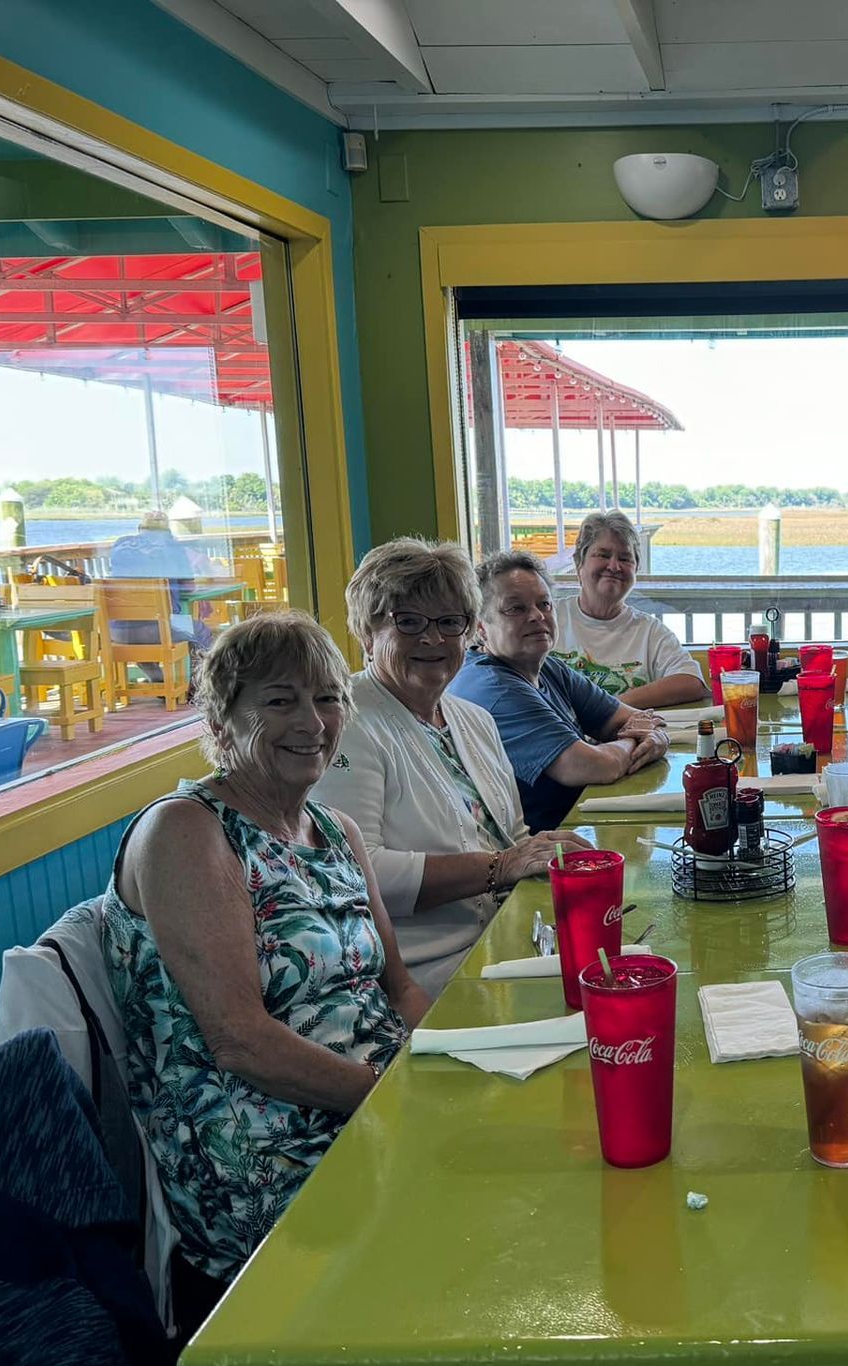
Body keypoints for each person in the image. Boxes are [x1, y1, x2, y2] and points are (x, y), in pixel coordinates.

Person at [103, 611, 430, 1315]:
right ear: (222, 723)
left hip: (376, 1103)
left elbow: (397, 986)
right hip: (266, 1156)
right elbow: (239, 1040)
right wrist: (399, 1101)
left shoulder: (336, 830)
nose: (311, 721)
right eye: (280, 701)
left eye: (327, 698)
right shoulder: (186, 831)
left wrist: (450, 1068)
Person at [311, 538, 589, 999]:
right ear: (366, 631)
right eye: (409, 622)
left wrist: (541, 861)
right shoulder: (344, 723)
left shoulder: (473, 719)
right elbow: (360, 873)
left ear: (470, 631)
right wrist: (499, 867)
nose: (433, 638)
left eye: (449, 622)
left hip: (510, 943)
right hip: (425, 975)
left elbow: (514, 837)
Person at [449, 551, 670, 831]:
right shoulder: (495, 688)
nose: (537, 616)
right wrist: (635, 741)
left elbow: (636, 719)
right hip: (540, 849)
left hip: (579, 824)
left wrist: (654, 733)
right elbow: (593, 766)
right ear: (480, 627)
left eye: (545, 604)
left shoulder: (548, 667)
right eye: (516, 609)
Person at [551, 511, 709, 707]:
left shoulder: (649, 631)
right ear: (579, 564)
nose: (614, 566)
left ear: (635, 570)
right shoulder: (548, 619)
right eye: (603, 555)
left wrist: (607, 708)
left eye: (625, 558)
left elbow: (691, 682)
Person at [106, 509, 213, 651]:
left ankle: (158, 674)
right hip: (160, 628)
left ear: (139, 529)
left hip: (117, 631)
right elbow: (188, 587)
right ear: (167, 532)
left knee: (147, 643)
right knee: (199, 629)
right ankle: (210, 671)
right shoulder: (173, 549)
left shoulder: (120, 546)